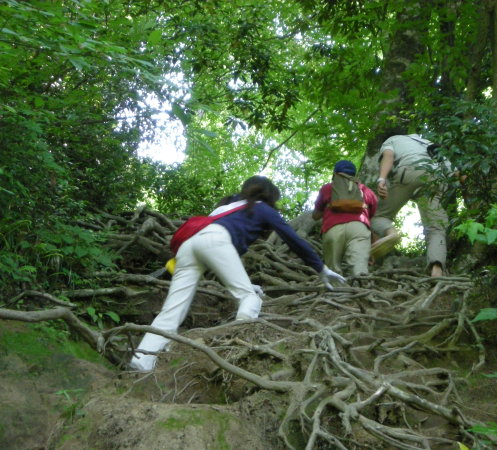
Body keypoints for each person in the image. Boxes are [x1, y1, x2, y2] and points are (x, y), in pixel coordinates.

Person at [130, 176, 345, 372]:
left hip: (189, 247)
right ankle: (234, 349)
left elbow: (221, 263)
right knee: (250, 299)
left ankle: (141, 360)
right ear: (269, 196)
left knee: (172, 311)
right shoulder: (262, 209)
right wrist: (320, 268)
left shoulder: (225, 207)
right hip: (215, 242)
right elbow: (293, 239)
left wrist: (246, 284)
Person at [370, 134, 453, 277]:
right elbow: (453, 171)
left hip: (409, 172)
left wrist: (381, 179)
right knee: (436, 226)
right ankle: (437, 269)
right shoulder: (428, 142)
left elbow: (388, 156)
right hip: (436, 178)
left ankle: (391, 234)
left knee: (378, 215)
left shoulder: (392, 139)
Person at [312, 160, 378, 276]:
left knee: (333, 270)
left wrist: (329, 207)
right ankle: (360, 290)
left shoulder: (327, 189)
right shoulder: (366, 190)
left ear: (335, 174)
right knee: (360, 269)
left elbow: (315, 216)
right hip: (359, 228)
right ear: (354, 174)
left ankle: (336, 291)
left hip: (332, 228)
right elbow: (371, 216)